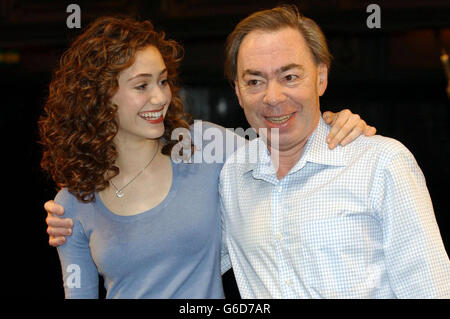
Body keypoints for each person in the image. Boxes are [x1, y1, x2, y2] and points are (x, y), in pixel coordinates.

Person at [40, 16, 374, 298]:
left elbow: (287, 150)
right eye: (141, 86)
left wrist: (332, 121)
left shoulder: (204, 144)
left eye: (163, 80)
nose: (160, 97)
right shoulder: (70, 204)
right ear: (99, 97)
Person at [218, 5, 450, 298]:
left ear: (321, 77)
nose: (273, 97)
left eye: (290, 77)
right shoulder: (233, 175)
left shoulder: (381, 163)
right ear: (238, 92)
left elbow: (431, 289)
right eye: (254, 81)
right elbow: (187, 261)